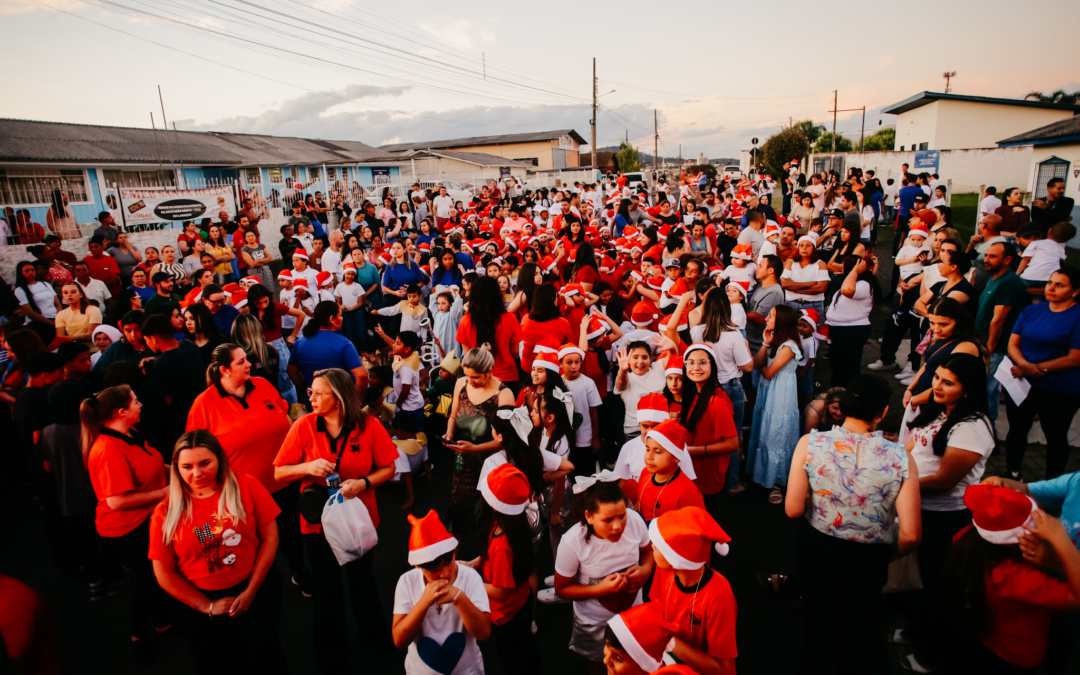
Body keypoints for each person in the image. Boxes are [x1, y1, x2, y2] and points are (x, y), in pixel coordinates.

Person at [785, 374, 921, 675]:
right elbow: (911, 534)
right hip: (869, 560)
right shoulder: (901, 457)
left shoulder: (812, 443)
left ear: (843, 405)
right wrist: (884, 553)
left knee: (816, 632)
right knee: (858, 637)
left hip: (817, 549)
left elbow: (793, 509)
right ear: (883, 413)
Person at [273, 368, 398, 670]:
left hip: (358, 521)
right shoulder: (303, 426)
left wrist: (364, 483)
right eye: (311, 392)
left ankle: (374, 637)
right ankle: (331, 652)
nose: (310, 397)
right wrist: (307, 467)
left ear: (339, 399)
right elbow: (279, 471)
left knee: (362, 582)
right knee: (327, 587)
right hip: (317, 525)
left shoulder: (368, 426)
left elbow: (389, 468)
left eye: (318, 393)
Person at [148, 430, 286, 675]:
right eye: (187, 466)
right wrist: (207, 607)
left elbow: (270, 538)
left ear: (220, 460)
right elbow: (164, 573)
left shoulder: (247, 485)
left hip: (255, 586)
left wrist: (251, 591)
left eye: (204, 463)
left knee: (265, 655)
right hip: (200, 602)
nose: (196, 473)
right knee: (215, 663)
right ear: (176, 468)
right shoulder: (165, 511)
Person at [902, 353, 995, 672]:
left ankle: (931, 653)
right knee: (920, 579)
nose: (937, 386)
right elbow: (913, 449)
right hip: (918, 505)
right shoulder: (940, 410)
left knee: (938, 585)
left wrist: (900, 485)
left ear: (967, 389)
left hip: (946, 517)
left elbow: (944, 481)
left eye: (948, 382)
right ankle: (916, 629)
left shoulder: (973, 428)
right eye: (937, 378)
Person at [940, 484, 1080, 672]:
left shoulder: (968, 538)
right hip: (1016, 654)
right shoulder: (1015, 577)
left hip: (981, 638)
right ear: (1019, 542)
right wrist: (1062, 542)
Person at [81, 385, 171, 651]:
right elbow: (116, 501)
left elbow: (151, 461)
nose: (140, 404)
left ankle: (163, 623)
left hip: (148, 519)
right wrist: (166, 491)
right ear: (121, 412)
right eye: (136, 401)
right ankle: (138, 636)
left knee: (156, 577)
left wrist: (180, 467)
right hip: (127, 529)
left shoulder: (129, 432)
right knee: (148, 583)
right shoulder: (107, 449)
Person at [553, 477, 654, 667]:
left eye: (622, 515)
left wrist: (646, 570)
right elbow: (562, 589)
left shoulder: (634, 521)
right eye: (607, 520)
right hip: (595, 622)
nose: (618, 526)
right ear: (589, 517)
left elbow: (648, 551)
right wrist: (600, 589)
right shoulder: (572, 541)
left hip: (634, 615)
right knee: (600, 666)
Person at [392, 509, 492, 675]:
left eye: (449, 561)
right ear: (418, 566)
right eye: (435, 569)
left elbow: (483, 633)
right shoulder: (407, 582)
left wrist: (459, 598)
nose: (445, 573)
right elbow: (400, 640)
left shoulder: (470, 577)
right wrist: (424, 602)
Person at [1004, 268, 1080, 480]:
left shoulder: (1077, 316)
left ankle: (1053, 483)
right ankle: (1012, 472)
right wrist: (1024, 364)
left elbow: (1075, 357)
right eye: (1049, 283)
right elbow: (1013, 343)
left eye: (1059, 285)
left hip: (1060, 390)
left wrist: (1034, 368)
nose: (1051, 288)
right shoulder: (1032, 310)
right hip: (1022, 383)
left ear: (1075, 291)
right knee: (1017, 430)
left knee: (1055, 436)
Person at [468, 464, 542, 675]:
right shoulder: (510, 525)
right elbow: (489, 554)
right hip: (521, 602)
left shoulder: (503, 545)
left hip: (507, 615)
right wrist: (473, 563)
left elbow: (501, 592)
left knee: (514, 661)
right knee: (527, 651)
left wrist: (469, 582)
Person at [647, 506, 739, 674]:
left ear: (675, 558)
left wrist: (672, 643)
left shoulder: (719, 598)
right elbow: (656, 610)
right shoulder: (664, 570)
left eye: (658, 544)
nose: (652, 545)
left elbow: (724, 670)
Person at [443, 347, 516, 531]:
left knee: (488, 511)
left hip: (490, 462)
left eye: (475, 377)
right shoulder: (461, 383)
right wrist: (449, 433)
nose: (470, 381)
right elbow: (452, 415)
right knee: (459, 508)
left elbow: (502, 441)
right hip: (463, 459)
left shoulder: (504, 395)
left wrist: (474, 449)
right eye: (467, 376)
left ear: (490, 371)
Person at [747, 305, 802, 503]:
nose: (766, 317)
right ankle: (761, 474)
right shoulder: (775, 341)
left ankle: (776, 481)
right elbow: (757, 363)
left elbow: (768, 372)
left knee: (776, 434)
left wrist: (761, 365)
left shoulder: (788, 346)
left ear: (781, 321)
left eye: (771, 315)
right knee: (764, 429)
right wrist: (764, 343)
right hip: (768, 391)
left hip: (781, 394)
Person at [975, 242, 1028, 426]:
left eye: (992, 256)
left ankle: (987, 431)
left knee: (987, 390)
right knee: (987, 389)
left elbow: (999, 319)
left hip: (995, 348)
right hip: (984, 344)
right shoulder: (994, 278)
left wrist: (989, 348)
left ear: (1007, 260)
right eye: (986, 255)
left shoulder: (1010, 282)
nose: (986, 260)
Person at [456, 277, 523, 392]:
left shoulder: (466, 320)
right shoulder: (510, 319)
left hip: (477, 377)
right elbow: (515, 352)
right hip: (507, 377)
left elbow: (467, 354)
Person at [289, 301, 368, 397]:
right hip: (340, 399)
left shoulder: (300, 342)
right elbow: (362, 375)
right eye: (340, 315)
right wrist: (358, 401)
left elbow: (291, 371)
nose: (342, 318)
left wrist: (305, 391)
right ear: (332, 319)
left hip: (313, 398)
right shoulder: (343, 343)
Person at [825, 256, 879, 387]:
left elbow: (847, 291)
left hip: (852, 330)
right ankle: (837, 390)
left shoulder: (864, 284)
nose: (842, 268)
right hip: (839, 329)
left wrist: (854, 271)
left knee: (848, 366)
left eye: (845, 266)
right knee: (836, 363)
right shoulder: (852, 281)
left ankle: (848, 393)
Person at [14, 260, 60, 343]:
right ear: (21, 273)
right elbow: (29, 312)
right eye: (27, 271)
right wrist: (50, 323)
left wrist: (59, 318)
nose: (31, 272)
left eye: (33, 270)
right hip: (39, 323)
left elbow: (57, 304)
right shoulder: (20, 290)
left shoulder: (45, 284)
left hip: (56, 320)